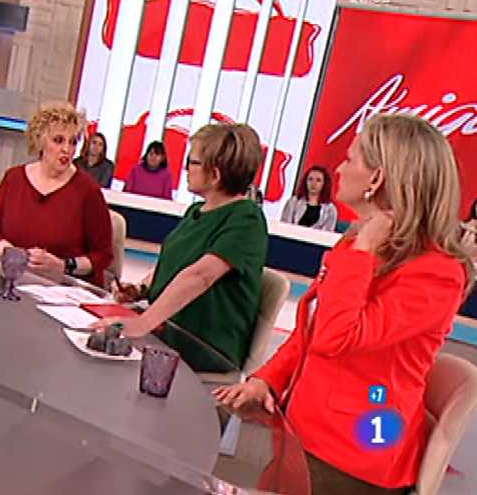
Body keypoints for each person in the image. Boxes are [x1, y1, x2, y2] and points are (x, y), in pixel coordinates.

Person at [214, 114, 473, 494]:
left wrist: (363, 249)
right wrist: (266, 379)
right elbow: (309, 333)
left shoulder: (436, 273)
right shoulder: (357, 245)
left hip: (355, 456)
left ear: (377, 178)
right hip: (303, 433)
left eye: (350, 159)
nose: (338, 168)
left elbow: (335, 336)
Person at [92, 123, 268, 371]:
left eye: (192, 162)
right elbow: (176, 262)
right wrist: (141, 289)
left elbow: (200, 276)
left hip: (202, 345)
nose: (185, 169)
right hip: (168, 330)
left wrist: (141, 324)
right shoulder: (196, 211)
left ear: (215, 174)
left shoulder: (246, 218)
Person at [0, 102, 113, 286]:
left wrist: (64, 265)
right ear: (40, 141)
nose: (67, 149)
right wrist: (12, 253)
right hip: (13, 281)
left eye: (72, 142)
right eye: (58, 140)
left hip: (63, 290)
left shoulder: (88, 191)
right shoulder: (13, 178)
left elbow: (103, 256)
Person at [280, 165, 338, 231]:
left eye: (318, 180)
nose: (313, 183)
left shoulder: (331, 209)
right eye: (310, 179)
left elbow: (327, 233)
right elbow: (284, 226)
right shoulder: (293, 202)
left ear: (324, 184)